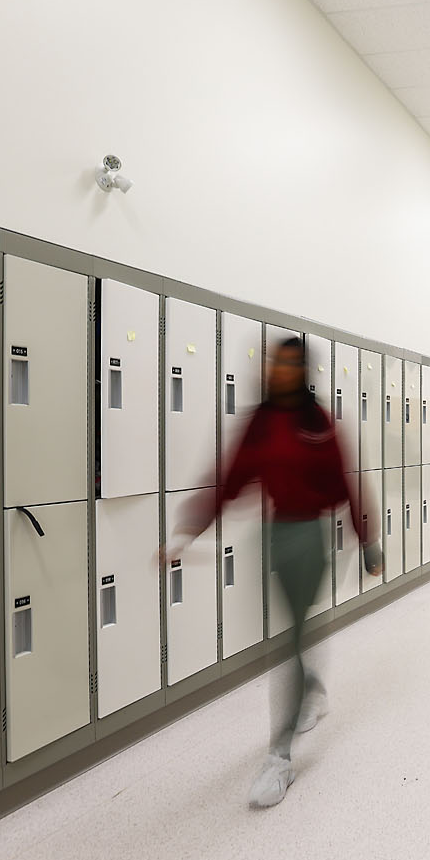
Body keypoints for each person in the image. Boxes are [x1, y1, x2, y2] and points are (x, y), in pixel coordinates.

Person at [165, 337, 381, 808]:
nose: (276, 370)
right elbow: (231, 476)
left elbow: (345, 480)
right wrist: (187, 531)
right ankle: (312, 690)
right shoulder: (261, 421)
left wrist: (368, 541)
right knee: (290, 639)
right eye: (273, 362)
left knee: (288, 642)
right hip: (274, 535)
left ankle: (279, 758)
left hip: (309, 537)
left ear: (302, 371)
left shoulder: (316, 421)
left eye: (288, 364)